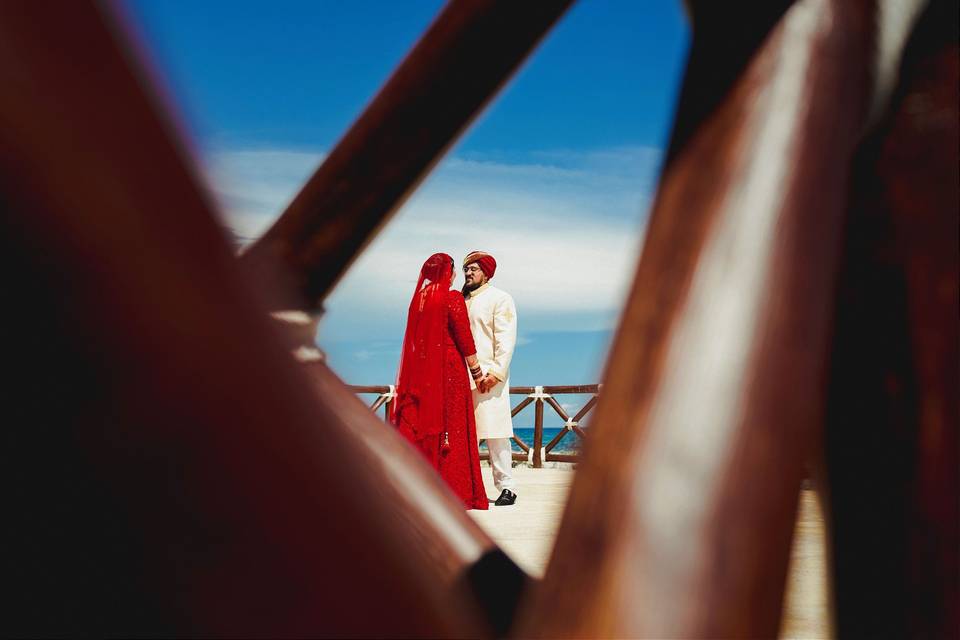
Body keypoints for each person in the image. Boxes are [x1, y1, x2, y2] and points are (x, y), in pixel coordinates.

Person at [393, 253, 489, 510]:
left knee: (425, 422)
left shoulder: (419, 300)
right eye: (455, 270)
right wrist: (478, 373)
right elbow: (464, 339)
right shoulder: (451, 297)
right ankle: (455, 490)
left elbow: (413, 339)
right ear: (449, 272)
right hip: (449, 368)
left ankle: (421, 485)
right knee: (453, 426)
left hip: (422, 370)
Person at [462, 250, 519, 506]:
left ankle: (507, 487)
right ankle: (466, 486)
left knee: (495, 433)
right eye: (466, 269)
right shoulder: (460, 300)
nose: (468, 273)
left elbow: (505, 339)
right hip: (461, 378)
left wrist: (495, 374)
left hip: (489, 377)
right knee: (464, 435)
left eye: (473, 269)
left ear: (486, 273)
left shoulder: (500, 298)